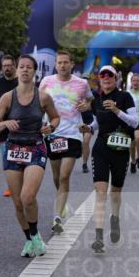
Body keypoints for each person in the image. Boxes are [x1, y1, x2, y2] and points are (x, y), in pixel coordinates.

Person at [0, 55, 61, 257]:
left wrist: (52, 126)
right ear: (18, 70)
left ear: (34, 72)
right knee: (18, 203)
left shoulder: (43, 97)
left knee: (27, 197)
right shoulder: (7, 97)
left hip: (36, 147)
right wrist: (5, 123)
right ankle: (30, 238)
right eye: (22, 67)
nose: (25, 70)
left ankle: (36, 235)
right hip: (13, 149)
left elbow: (55, 117)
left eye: (29, 67)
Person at [82, 65, 138, 253]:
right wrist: (89, 128)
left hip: (121, 148)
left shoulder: (125, 97)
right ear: (99, 79)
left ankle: (115, 219)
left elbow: (135, 121)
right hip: (101, 148)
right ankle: (98, 237)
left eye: (110, 75)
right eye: (102, 75)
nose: (106, 78)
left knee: (115, 191)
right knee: (100, 191)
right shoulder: (97, 99)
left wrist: (116, 110)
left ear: (116, 79)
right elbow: (98, 122)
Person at [39, 50, 93, 234]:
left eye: (65, 62)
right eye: (59, 62)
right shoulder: (46, 82)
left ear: (72, 64)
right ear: (56, 65)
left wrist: (87, 105)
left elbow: (90, 100)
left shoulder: (82, 83)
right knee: (56, 176)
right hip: (53, 134)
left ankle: (57, 217)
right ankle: (63, 200)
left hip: (73, 133)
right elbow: (38, 104)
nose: (62, 65)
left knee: (64, 175)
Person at [0, 55, 18, 196]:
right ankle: (11, 186)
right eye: (5, 66)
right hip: (3, 126)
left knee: (19, 156)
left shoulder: (20, 82)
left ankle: (21, 182)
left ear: (14, 66)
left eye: (9, 65)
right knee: (6, 157)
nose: (7, 68)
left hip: (20, 125)